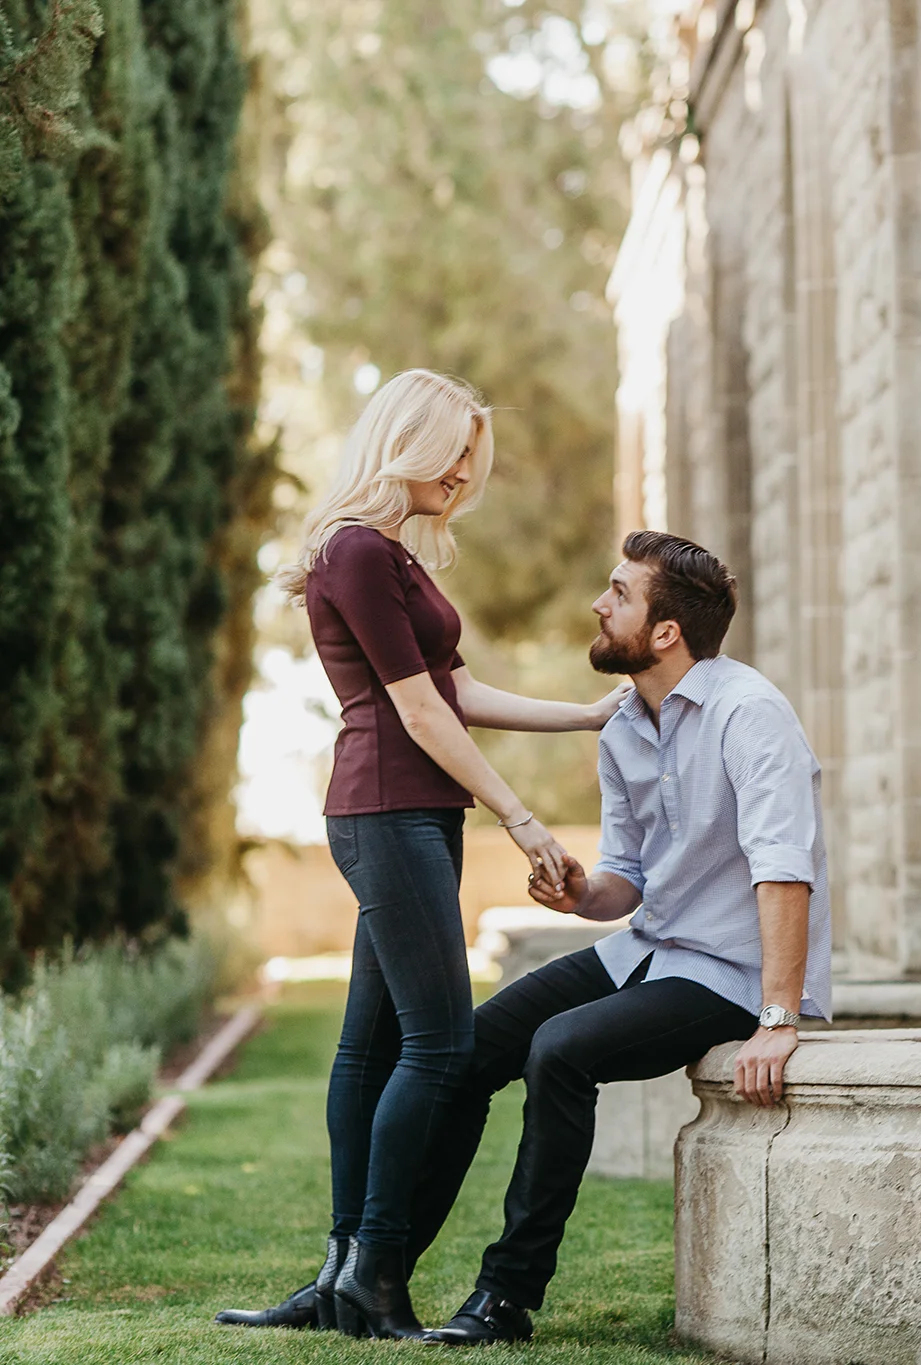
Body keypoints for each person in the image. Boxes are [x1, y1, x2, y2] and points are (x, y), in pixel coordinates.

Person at [215, 370, 627, 1339]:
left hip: (409, 813)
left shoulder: (386, 554)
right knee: (439, 1047)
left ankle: (338, 1277)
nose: (463, 474)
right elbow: (414, 710)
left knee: (371, 1048)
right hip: (388, 809)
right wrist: (522, 818)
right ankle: (372, 1277)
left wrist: (579, 716)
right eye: (456, 452)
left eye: (472, 459)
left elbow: (457, 687)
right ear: (408, 441)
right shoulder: (357, 551)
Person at [405, 530, 832, 1347]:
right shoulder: (625, 728)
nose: (600, 604)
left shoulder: (752, 715)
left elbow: (785, 870)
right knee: (470, 1047)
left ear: (666, 631)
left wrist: (778, 1019)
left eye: (619, 593)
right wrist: (578, 894)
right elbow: (626, 878)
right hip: (646, 947)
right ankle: (380, 1269)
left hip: (727, 973)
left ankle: (506, 1295)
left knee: (560, 1050)